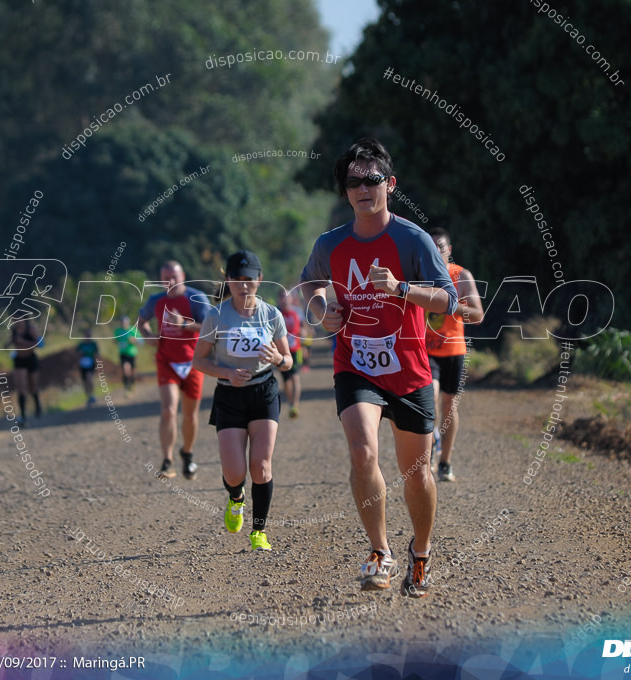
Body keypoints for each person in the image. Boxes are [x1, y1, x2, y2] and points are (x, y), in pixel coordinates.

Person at [300, 138, 458, 598]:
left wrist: (402, 288)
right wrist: (319, 309)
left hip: (408, 371)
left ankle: (421, 551)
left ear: (389, 184)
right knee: (362, 450)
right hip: (356, 365)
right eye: (353, 181)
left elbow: (448, 299)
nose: (362, 188)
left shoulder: (413, 239)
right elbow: (309, 283)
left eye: (371, 179)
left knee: (417, 472)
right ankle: (379, 551)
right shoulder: (330, 243)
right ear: (345, 190)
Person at [192, 250, 292, 551]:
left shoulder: (271, 314)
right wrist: (226, 372)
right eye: (237, 279)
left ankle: (259, 531)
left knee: (261, 466)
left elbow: (288, 361)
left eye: (249, 279)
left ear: (260, 280)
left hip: (263, 392)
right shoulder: (216, 315)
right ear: (228, 279)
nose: (243, 285)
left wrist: (278, 358)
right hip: (229, 394)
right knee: (235, 472)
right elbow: (199, 361)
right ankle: (236, 498)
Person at [138, 260, 210, 480]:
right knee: (168, 410)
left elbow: (210, 327)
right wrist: (148, 336)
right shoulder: (155, 300)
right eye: (165, 277)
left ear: (183, 276)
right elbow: (141, 322)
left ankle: (187, 454)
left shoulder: (196, 298)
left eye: (174, 277)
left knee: (189, 415)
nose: (169, 281)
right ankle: (167, 461)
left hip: (193, 362)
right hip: (166, 360)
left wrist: (184, 324)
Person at [425, 228, 484, 482]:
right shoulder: (420, 276)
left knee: (449, 406)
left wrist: (450, 304)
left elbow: (478, 315)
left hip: (453, 351)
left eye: (441, 246)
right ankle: (427, 456)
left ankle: (445, 462)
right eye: (432, 246)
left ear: (449, 250)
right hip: (425, 351)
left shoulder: (461, 276)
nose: (437, 251)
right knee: (431, 397)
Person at [5, 318, 43, 425]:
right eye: (14, 320)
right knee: (21, 388)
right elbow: (12, 341)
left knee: (33, 387)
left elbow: (38, 344)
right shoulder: (14, 331)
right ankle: (23, 415)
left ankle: (37, 405)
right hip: (19, 360)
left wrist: (23, 342)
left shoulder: (30, 329)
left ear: (24, 320)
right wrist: (7, 344)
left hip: (31, 359)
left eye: (18, 319)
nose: (16, 322)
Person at [277, 290, 305, 418]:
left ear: (291, 298)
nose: (285, 299)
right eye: (282, 297)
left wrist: (305, 332)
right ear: (279, 299)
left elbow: (304, 327)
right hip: (281, 351)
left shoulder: (297, 311)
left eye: (287, 297)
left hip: (295, 350)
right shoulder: (275, 313)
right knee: (286, 380)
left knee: (295, 377)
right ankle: (290, 404)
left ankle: (295, 405)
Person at [113, 315, 140, 395]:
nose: (122, 324)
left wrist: (134, 340)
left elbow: (141, 341)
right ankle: (127, 388)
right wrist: (116, 341)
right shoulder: (118, 331)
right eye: (121, 322)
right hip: (123, 354)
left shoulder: (133, 330)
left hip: (132, 353)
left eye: (124, 322)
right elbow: (115, 340)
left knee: (132, 372)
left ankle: (133, 383)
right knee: (125, 370)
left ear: (127, 322)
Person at [76, 328, 100, 406]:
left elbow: (97, 354)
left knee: (89, 379)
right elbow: (76, 354)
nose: (88, 336)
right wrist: (80, 353)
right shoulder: (81, 344)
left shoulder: (94, 344)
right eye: (87, 335)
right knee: (85, 381)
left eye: (89, 335)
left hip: (91, 364)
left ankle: (92, 395)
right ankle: (88, 396)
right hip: (83, 364)